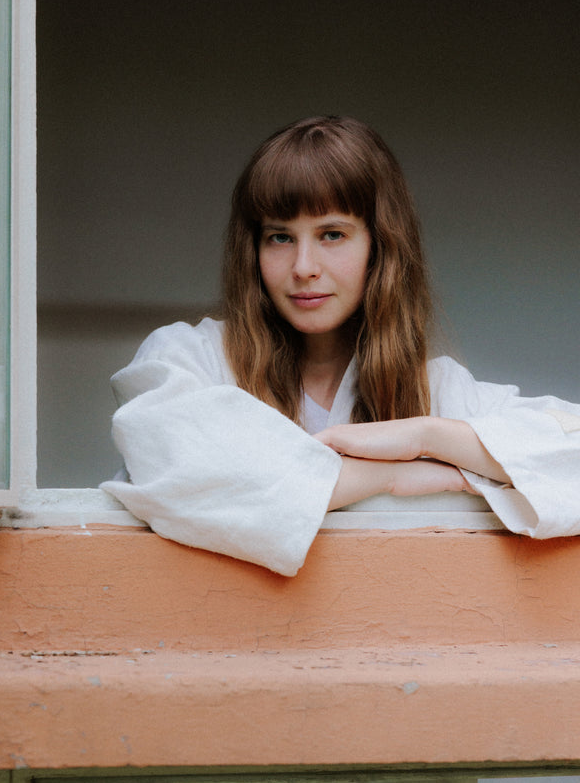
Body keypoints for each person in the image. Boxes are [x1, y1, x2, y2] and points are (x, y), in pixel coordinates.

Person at [101, 115, 580, 578]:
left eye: (332, 234)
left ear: (380, 246)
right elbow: (183, 472)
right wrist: (386, 477)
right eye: (279, 237)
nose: (303, 266)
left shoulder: (434, 388)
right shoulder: (188, 359)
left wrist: (426, 438)